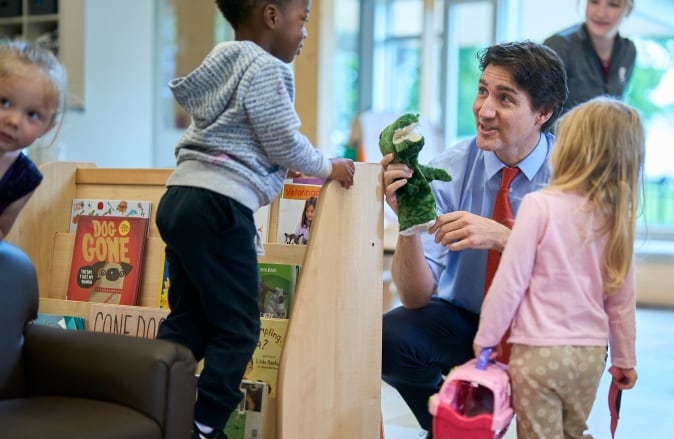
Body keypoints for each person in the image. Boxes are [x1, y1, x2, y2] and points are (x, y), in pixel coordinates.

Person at [154, 1, 355, 438]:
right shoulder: (266, 68)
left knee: (190, 318)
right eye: (302, 20)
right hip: (220, 206)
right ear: (271, 16)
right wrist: (328, 166)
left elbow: (252, 137)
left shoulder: (223, 60)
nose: (304, 33)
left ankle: (152, 403)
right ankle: (203, 424)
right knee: (239, 327)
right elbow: (283, 139)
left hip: (179, 197)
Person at [380, 40, 568, 436]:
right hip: (467, 318)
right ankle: (453, 427)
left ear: (543, 113)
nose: (484, 110)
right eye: (482, 91)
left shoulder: (569, 175)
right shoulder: (452, 166)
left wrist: (506, 238)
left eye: (505, 98)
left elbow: (585, 278)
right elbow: (415, 297)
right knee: (389, 338)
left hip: (547, 323)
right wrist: (409, 222)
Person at [473, 97, 642, 438]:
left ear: (567, 151)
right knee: (572, 431)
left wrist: (486, 339)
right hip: (589, 356)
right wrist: (625, 359)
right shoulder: (616, 218)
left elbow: (510, 283)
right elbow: (621, 299)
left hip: (537, 353)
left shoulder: (539, 206)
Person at [0, 40, 66, 241]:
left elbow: (2, 232)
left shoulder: (24, 177)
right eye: (4, 102)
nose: (14, 121)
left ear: (47, 127)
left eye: (33, 114)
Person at [544, 0, 636, 115]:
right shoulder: (559, 46)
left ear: (629, 10)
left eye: (613, 5)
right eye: (594, 2)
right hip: (565, 132)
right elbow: (542, 111)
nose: (601, 13)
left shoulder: (628, 51)